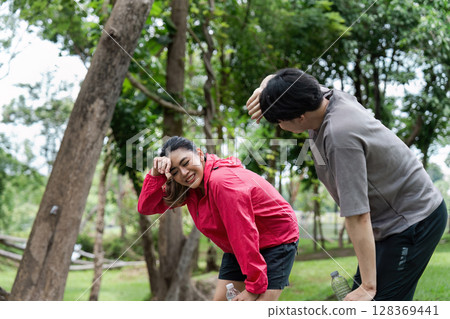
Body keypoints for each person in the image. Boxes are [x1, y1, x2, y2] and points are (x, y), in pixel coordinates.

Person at [246, 68, 447, 301]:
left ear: (300, 117)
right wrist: (267, 89)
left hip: (413, 220)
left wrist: (369, 286)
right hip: (389, 221)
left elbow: (357, 215)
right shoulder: (322, 97)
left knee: (379, 304)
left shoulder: (340, 138)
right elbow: (289, 79)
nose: (280, 126)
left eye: (281, 121)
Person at [138, 136, 299, 301]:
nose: (184, 173)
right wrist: (155, 174)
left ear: (200, 154)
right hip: (238, 247)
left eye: (186, 163)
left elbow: (242, 232)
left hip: (276, 239)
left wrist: (254, 286)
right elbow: (146, 207)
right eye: (174, 171)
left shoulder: (221, 181)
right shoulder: (192, 189)